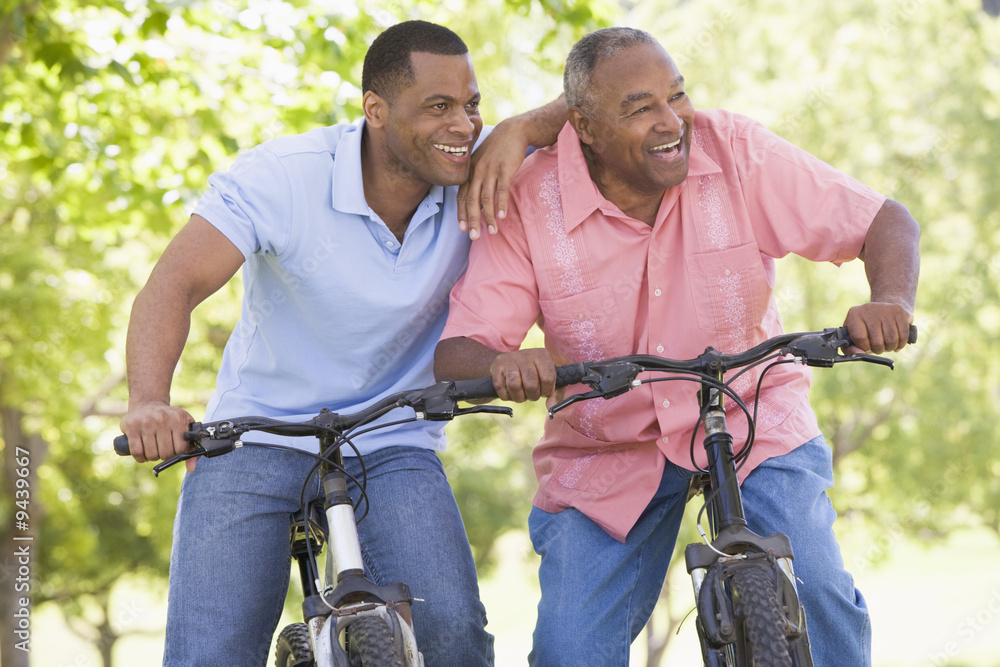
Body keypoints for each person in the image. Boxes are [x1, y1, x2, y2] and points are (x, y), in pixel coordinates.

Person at [434, 27, 919, 666]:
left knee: (822, 592)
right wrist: (506, 363)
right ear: (582, 126)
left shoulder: (734, 150)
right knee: (568, 651)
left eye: (677, 96)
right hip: (608, 444)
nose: (672, 121)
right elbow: (458, 350)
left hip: (751, 412)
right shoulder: (528, 196)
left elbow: (885, 220)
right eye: (640, 109)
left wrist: (891, 300)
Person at [119, 20, 565, 667]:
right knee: (208, 653)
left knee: (455, 637)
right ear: (375, 111)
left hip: (391, 438)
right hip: (254, 436)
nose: (464, 125)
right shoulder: (285, 177)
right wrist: (147, 400)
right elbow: (173, 284)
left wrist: (520, 128)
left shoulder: (476, 164)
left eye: (472, 105)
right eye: (438, 107)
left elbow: (592, 105)